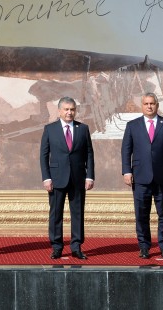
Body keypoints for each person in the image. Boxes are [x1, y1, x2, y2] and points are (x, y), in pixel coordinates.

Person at [121, 92, 163, 260]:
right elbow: (126, 150)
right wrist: (126, 171)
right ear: (142, 106)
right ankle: (144, 247)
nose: (149, 106)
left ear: (157, 105)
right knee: (141, 215)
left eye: (152, 103)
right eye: (146, 103)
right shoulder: (132, 126)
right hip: (140, 178)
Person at [39, 96, 95, 260]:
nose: (69, 112)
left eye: (72, 109)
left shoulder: (83, 129)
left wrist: (90, 176)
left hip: (78, 178)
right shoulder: (50, 129)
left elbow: (89, 154)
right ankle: (57, 247)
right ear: (59, 111)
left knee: (77, 213)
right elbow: (44, 155)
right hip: (56, 179)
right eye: (66, 109)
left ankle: (76, 247)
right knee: (56, 214)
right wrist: (46, 178)